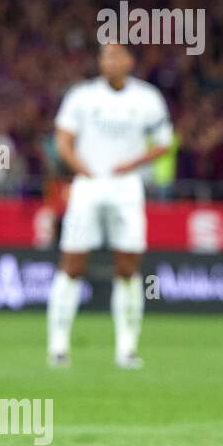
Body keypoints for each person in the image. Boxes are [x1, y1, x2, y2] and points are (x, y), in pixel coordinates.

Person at [47, 41, 173, 370]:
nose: (109, 61)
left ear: (129, 60)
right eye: (104, 55)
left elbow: (164, 143)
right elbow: (62, 140)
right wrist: (80, 168)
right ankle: (58, 346)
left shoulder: (147, 99)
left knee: (128, 267)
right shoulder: (82, 96)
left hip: (126, 188)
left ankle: (127, 349)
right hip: (88, 186)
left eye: (116, 55)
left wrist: (132, 164)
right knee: (73, 263)